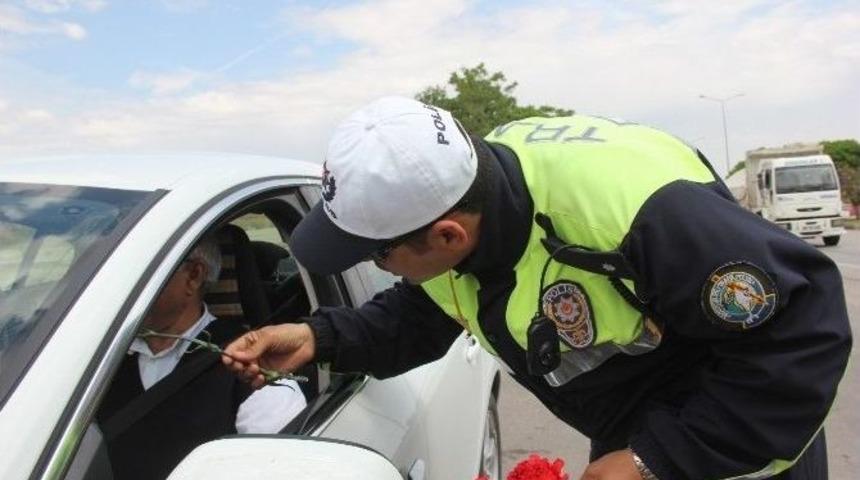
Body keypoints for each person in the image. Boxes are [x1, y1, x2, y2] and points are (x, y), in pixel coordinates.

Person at [223, 97, 851, 480]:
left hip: (735, 442)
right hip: (639, 431)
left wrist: (659, 460)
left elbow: (802, 329)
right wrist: (317, 335)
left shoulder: (638, 212)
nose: (378, 268)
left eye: (377, 255)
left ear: (446, 236)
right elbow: (426, 310)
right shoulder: (470, 196)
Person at [97, 235, 306, 480]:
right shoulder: (92, 360)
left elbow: (280, 470)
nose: (117, 287)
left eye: (138, 272)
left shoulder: (256, 372)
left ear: (194, 275)